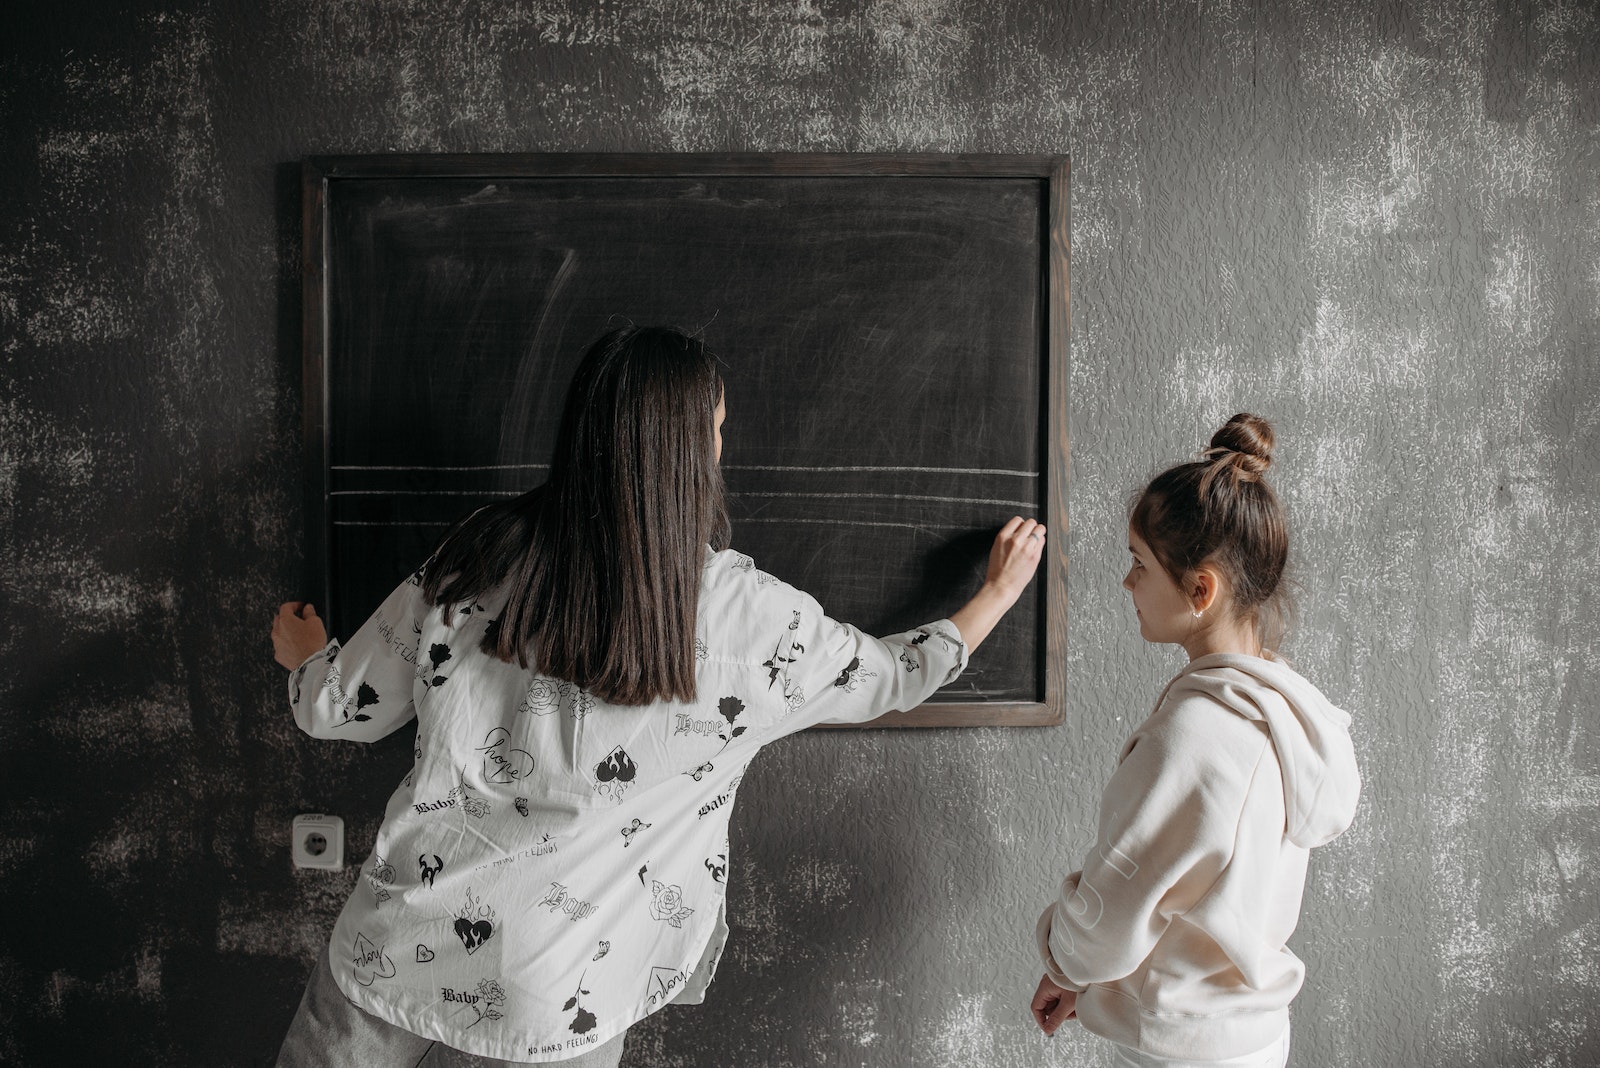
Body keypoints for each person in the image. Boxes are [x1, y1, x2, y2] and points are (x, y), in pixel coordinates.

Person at [272, 326, 1045, 1066]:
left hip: (400, 947)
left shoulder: (478, 553)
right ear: (689, 451)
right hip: (567, 986)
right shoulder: (750, 620)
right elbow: (888, 677)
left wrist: (311, 661)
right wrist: (995, 597)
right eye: (716, 428)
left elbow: (341, 709)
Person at [1030, 413, 1360, 1068]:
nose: (1128, 583)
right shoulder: (1285, 712)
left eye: (1139, 564)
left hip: (1184, 1050)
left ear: (1200, 589)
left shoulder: (1199, 736)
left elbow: (1119, 897)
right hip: (1254, 1038)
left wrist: (1065, 968)